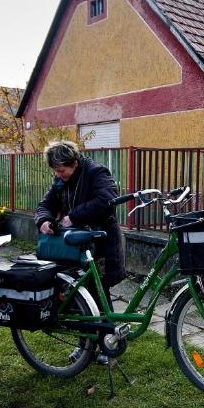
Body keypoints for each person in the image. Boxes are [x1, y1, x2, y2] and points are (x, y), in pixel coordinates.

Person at [34, 141, 126, 362]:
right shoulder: (60, 179)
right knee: (77, 295)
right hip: (75, 246)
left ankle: (107, 345)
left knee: (100, 293)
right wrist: (44, 220)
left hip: (101, 244)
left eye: (62, 171)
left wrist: (74, 216)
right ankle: (84, 345)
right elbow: (44, 204)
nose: (59, 175)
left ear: (74, 163)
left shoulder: (96, 172)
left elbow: (107, 200)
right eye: (56, 171)